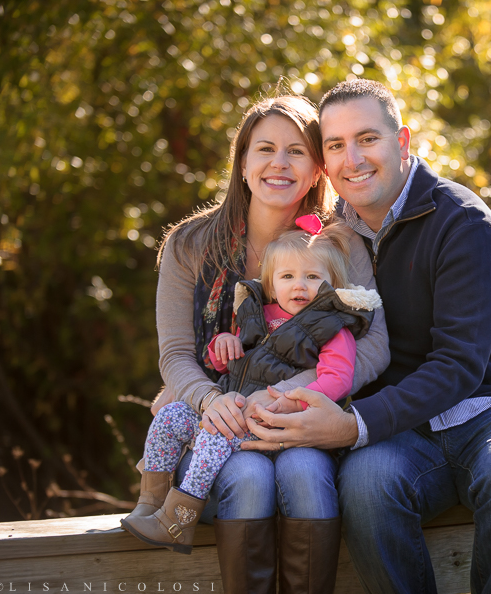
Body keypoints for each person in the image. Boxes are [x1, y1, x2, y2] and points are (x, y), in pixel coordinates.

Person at [243, 79, 491, 594]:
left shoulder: (462, 221)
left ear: (403, 142)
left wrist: (353, 425)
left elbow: (459, 366)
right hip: (405, 431)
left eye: (368, 139)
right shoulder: (330, 241)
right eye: (336, 145)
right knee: (366, 486)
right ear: (324, 162)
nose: (354, 158)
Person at [148, 95, 389, 593]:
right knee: (251, 479)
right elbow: (174, 355)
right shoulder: (190, 246)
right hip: (219, 428)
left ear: (317, 167)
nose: (279, 164)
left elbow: (373, 345)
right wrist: (211, 399)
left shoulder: (341, 244)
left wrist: (283, 399)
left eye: (296, 151)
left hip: (307, 416)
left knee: (303, 470)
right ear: (242, 162)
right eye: (264, 149)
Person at [122, 219, 381, 565]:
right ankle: (150, 502)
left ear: (332, 284)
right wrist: (224, 344)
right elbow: (227, 365)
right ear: (271, 283)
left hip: (272, 421)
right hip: (231, 406)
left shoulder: (334, 329)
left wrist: (285, 400)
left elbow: (336, 379)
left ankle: (177, 521)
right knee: (170, 417)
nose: (299, 286)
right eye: (287, 277)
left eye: (313, 277)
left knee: (215, 434)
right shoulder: (259, 314)